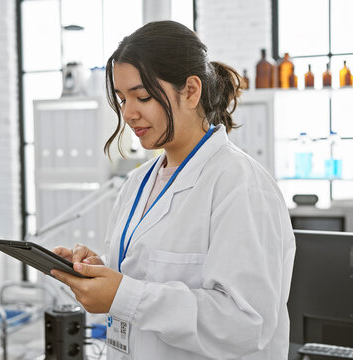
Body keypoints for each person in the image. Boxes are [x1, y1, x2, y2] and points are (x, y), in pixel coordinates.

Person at [52, 20, 295, 359]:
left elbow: (246, 323)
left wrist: (123, 294)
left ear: (191, 91)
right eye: (122, 99)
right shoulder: (139, 183)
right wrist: (101, 272)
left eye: (143, 96)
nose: (129, 113)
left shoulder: (241, 184)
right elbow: (149, 273)